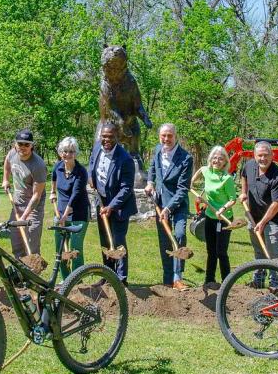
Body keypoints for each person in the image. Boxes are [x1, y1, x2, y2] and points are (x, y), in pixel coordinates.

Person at [145, 123, 193, 291]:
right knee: (165, 240)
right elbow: (152, 168)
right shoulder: (158, 150)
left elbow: (182, 189)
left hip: (177, 204)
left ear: (175, 136)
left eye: (169, 136)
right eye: (163, 135)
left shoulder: (186, 158)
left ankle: (178, 278)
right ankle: (167, 279)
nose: (166, 139)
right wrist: (150, 182)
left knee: (179, 236)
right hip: (160, 202)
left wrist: (168, 208)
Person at [88, 122, 137, 285]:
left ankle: (121, 280)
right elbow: (91, 163)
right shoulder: (96, 147)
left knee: (118, 242)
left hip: (120, 206)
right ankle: (108, 275)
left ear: (117, 137)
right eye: (104, 136)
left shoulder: (125, 159)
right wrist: (91, 178)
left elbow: (126, 188)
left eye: (110, 136)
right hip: (101, 202)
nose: (106, 139)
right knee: (105, 241)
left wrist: (112, 206)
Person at [239, 140, 278, 289]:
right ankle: (258, 280)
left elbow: (277, 204)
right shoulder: (249, 165)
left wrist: (263, 222)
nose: (263, 159)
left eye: (266, 155)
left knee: (272, 252)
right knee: (258, 250)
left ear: (272, 156)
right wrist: (243, 193)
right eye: (260, 155)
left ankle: (275, 284)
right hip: (253, 216)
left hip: (273, 219)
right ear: (254, 155)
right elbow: (243, 176)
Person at [191, 146, 237, 288]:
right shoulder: (206, 171)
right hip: (210, 217)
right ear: (211, 159)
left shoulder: (227, 178)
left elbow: (233, 199)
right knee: (211, 251)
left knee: (221, 252)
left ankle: (227, 283)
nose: (217, 160)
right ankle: (209, 280)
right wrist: (192, 185)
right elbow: (198, 173)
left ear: (225, 162)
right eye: (215, 158)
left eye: (221, 158)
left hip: (224, 219)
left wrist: (222, 209)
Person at [3, 129, 47, 258]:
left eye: (26, 144)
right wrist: (5, 179)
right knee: (16, 239)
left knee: (31, 241)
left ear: (32, 145)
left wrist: (24, 217)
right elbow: (7, 163)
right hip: (17, 203)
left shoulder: (38, 165)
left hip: (34, 207)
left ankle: (33, 274)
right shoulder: (12, 153)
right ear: (15, 144)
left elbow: (36, 196)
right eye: (20, 143)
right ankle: (19, 273)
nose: (23, 147)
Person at [49, 137, 89, 279]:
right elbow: (53, 179)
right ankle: (65, 279)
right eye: (65, 151)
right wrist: (52, 192)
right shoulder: (58, 167)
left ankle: (77, 280)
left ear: (75, 153)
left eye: (71, 151)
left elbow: (76, 194)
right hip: (60, 211)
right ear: (61, 152)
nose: (68, 154)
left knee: (75, 248)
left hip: (78, 213)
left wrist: (66, 214)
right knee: (60, 248)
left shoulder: (81, 171)